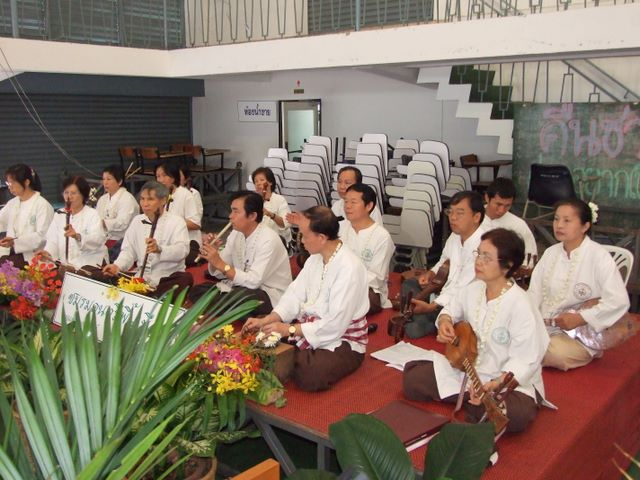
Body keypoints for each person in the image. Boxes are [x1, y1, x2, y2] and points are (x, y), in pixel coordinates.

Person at [403, 228, 549, 434]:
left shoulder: (521, 305)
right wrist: (445, 321)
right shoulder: (474, 289)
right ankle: (475, 401)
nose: (478, 261)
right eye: (478, 254)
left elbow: (527, 359)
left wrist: (496, 384)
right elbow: (450, 310)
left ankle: (479, 402)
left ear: (507, 265)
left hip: (504, 380)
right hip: (468, 370)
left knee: (513, 415)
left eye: (486, 257)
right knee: (413, 379)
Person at [244, 206, 369, 392]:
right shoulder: (314, 259)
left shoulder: (349, 268)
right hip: (310, 327)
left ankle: (297, 358)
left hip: (343, 338)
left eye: (304, 235)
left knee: (310, 374)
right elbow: (294, 294)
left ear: (321, 237)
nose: (301, 240)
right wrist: (271, 318)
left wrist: (288, 329)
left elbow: (335, 324)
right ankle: (296, 356)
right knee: (261, 336)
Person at [528, 199, 630, 371]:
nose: (559, 225)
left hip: (580, 334)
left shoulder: (599, 257)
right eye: (556, 219)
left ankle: (583, 351)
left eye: (567, 220)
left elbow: (619, 301)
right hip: (544, 327)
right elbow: (534, 293)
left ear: (585, 226)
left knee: (552, 353)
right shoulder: (550, 253)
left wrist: (581, 318)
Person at [402, 191, 485, 338]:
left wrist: (432, 306)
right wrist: (431, 273)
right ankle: (420, 314)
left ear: (476, 217)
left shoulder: (483, 246)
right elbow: (443, 260)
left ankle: (424, 316)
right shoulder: (455, 236)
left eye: (460, 213)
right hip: (443, 291)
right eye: (450, 212)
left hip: (462, 303)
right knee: (409, 284)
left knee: (414, 329)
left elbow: (462, 287)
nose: (452, 217)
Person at [193, 191, 291, 316]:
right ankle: (227, 308)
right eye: (231, 211)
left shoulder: (269, 239)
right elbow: (220, 273)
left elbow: (254, 282)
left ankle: (223, 306)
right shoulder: (236, 233)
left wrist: (220, 263)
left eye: (235, 211)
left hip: (267, 293)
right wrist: (214, 256)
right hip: (239, 287)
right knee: (198, 290)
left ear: (252, 216)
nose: (230, 216)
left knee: (243, 298)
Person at [102, 181, 193, 298]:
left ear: (163, 200)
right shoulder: (137, 221)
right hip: (141, 277)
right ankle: (150, 295)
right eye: (142, 199)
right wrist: (117, 266)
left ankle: (155, 296)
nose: (145, 204)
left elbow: (182, 251)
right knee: (98, 274)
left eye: (150, 199)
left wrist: (159, 249)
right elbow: (128, 251)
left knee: (185, 278)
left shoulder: (177, 222)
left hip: (166, 278)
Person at [340, 183, 395, 314]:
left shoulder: (382, 236)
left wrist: (345, 280)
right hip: (337, 281)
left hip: (367, 289)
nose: (347, 206)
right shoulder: (339, 227)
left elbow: (377, 278)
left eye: (353, 202)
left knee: (348, 302)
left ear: (369, 206)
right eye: (346, 201)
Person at [40, 175, 108, 269]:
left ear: (83, 195)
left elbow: (97, 240)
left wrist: (77, 236)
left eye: (73, 193)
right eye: (66, 192)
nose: (69, 197)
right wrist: (47, 253)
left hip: (90, 265)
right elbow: (53, 240)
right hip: (66, 266)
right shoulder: (59, 214)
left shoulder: (92, 214)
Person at [0, 164, 54, 268]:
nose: (10, 187)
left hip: (33, 258)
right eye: (8, 183)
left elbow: (43, 236)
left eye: (12, 183)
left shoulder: (42, 205)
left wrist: (15, 242)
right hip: (12, 255)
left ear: (26, 182)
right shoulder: (13, 203)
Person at [155, 161, 202, 266]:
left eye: (164, 175)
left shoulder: (185, 195)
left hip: (188, 243)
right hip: (165, 242)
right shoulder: (158, 196)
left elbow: (195, 223)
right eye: (158, 176)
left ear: (173, 177)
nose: (160, 180)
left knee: (174, 261)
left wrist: (172, 224)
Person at [481, 177, 537, 262]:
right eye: (498, 204)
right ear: (487, 198)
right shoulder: (471, 218)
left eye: (507, 206)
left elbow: (530, 257)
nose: (502, 210)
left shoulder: (518, 225)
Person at [95, 165, 139, 262]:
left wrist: (103, 223)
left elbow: (123, 222)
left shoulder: (127, 199)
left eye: (109, 179)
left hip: (122, 242)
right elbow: (96, 219)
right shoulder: (103, 199)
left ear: (119, 181)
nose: (105, 182)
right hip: (103, 240)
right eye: (103, 179)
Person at [252, 167, 292, 246]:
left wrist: (270, 215)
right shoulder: (253, 201)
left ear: (270, 182)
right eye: (256, 181)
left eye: (262, 180)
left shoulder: (279, 200)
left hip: (278, 242)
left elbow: (286, 223)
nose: (258, 183)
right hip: (258, 242)